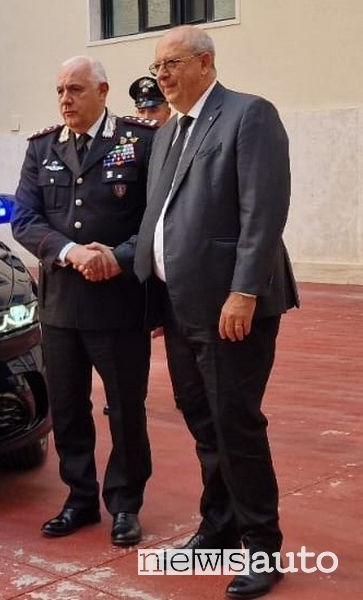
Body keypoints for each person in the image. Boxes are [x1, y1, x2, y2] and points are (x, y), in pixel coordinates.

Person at [131, 26, 298, 598]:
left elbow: (264, 212)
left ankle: (262, 546)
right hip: (181, 306)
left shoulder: (249, 116)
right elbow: (159, 218)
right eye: (157, 66)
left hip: (233, 307)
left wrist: (245, 291)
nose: (162, 75)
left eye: (172, 63)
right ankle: (220, 526)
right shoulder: (169, 132)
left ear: (205, 62)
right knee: (202, 419)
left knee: (235, 423)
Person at [12, 56, 157, 547]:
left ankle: (125, 504)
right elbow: (24, 220)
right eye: (59, 91)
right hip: (61, 306)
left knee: (124, 409)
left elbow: (156, 217)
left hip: (118, 304)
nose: (65, 99)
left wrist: (118, 257)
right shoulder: (43, 147)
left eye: (75, 89)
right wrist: (72, 253)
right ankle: (79, 498)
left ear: (103, 91)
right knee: (69, 407)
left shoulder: (140, 140)